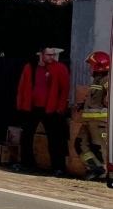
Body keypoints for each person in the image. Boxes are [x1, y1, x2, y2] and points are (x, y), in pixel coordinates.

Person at [15, 47, 70, 176]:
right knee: (27, 136)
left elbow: (65, 89)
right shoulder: (30, 67)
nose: (52, 57)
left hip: (51, 109)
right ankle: (26, 163)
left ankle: (58, 167)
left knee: (55, 139)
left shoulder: (60, 68)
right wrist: (20, 105)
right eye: (48, 55)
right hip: (31, 107)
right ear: (41, 54)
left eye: (53, 54)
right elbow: (22, 87)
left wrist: (60, 109)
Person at [73, 50, 109, 181]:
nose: (89, 68)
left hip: (99, 123)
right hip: (88, 121)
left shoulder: (107, 80)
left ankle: (104, 174)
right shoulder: (97, 80)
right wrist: (82, 105)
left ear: (99, 66)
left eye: (91, 65)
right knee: (79, 144)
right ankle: (95, 168)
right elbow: (95, 99)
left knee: (99, 148)